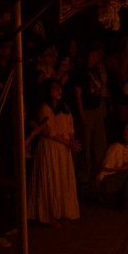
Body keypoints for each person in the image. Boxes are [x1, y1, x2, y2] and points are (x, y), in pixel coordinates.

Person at [28, 81, 81, 226]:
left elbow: (70, 125)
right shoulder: (44, 108)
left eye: (60, 87)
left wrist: (72, 142)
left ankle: (62, 211)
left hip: (64, 149)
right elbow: (50, 132)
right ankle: (49, 214)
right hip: (51, 148)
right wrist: (68, 143)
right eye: (55, 88)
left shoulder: (64, 107)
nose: (59, 90)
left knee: (62, 180)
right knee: (51, 178)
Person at [72, 42, 110, 181]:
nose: (96, 58)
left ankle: (99, 170)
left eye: (97, 56)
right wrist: (82, 117)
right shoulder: (80, 72)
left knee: (99, 142)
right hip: (87, 111)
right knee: (86, 145)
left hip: (96, 110)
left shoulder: (96, 70)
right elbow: (78, 96)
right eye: (93, 56)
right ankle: (84, 174)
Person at [97, 121, 128, 211]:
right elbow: (104, 167)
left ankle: (121, 201)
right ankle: (126, 205)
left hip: (120, 182)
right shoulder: (115, 146)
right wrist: (123, 168)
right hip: (108, 181)